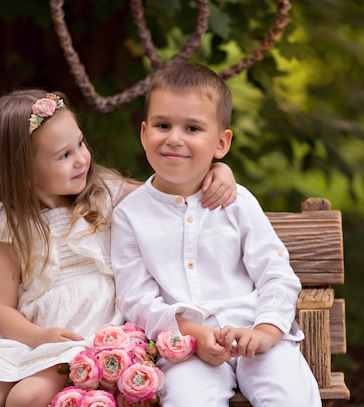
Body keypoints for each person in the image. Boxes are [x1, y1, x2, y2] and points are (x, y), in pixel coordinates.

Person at [0, 88, 237, 407]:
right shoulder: (14, 222)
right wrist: (38, 337)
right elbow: (1, 307)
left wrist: (218, 169)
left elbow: (170, 188)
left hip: (85, 338)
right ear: (23, 170)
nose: (81, 159)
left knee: (26, 397)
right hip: (29, 337)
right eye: (64, 155)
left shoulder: (105, 195)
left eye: (80, 144)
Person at [110, 63, 322, 407]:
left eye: (192, 128)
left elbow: (276, 273)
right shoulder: (130, 216)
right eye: (163, 125)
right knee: (187, 401)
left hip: (255, 333)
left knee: (291, 397)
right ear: (144, 133)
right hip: (187, 346)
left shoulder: (236, 202)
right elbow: (136, 299)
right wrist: (192, 333)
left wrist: (266, 332)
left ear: (221, 143)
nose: (174, 138)